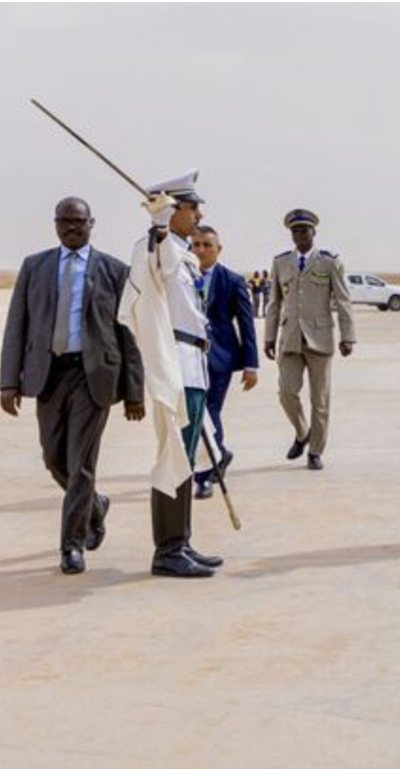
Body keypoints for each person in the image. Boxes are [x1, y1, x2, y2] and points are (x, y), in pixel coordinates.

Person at [1, 197, 145, 575]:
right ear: (54, 224)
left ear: (91, 223)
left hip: (92, 375)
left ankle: (72, 545)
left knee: (81, 462)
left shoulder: (114, 270)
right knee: (53, 458)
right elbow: (17, 325)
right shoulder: (35, 266)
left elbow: (127, 334)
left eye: (77, 222)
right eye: (63, 222)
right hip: (47, 373)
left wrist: (134, 390)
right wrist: (7, 381)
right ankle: (95, 505)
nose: (70, 228)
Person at [118, 170, 222, 577]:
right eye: (192, 206)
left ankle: (183, 541)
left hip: (193, 365)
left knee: (186, 456)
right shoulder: (155, 248)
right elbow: (155, 270)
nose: (199, 214)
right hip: (173, 365)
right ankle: (167, 550)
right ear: (174, 209)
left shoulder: (182, 252)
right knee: (171, 456)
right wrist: (158, 227)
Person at [264, 209, 356, 471]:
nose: (299, 235)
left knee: (321, 400)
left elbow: (343, 299)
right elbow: (274, 303)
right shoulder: (281, 262)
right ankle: (303, 432)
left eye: (304, 230)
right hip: (290, 339)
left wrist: (348, 336)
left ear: (314, 232)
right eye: (295, 231)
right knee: (286, 393)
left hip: (321, 339)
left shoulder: (329, 262)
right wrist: (269, 337)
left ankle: (315, 451)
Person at [190, 225, 259, 499]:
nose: (201, 250)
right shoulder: (180, 276)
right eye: (196, 245)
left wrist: (251, 365)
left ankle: (204, 477)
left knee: (209, 413)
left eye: (207, 245)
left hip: (219, 359)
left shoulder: (232, 280)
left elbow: (246, 324)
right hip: (188, 358)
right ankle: (220, 454)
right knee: (193, 416)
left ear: (219, 249)